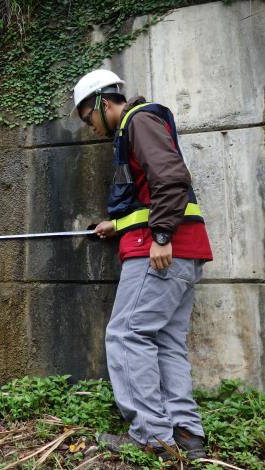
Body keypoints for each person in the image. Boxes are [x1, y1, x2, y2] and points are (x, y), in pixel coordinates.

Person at [73, 70, 212, 461]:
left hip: (161, 251)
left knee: (127, 336)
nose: (92, 127)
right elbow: (151, 196)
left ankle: (153, 437)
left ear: (103, 102)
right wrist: (115, 224)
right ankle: (186, 433)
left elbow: (171, 178)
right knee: (165, 341)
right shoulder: (142, 124)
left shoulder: (139, 120)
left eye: (89, 118)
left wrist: (162, 236)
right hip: (185, 251)